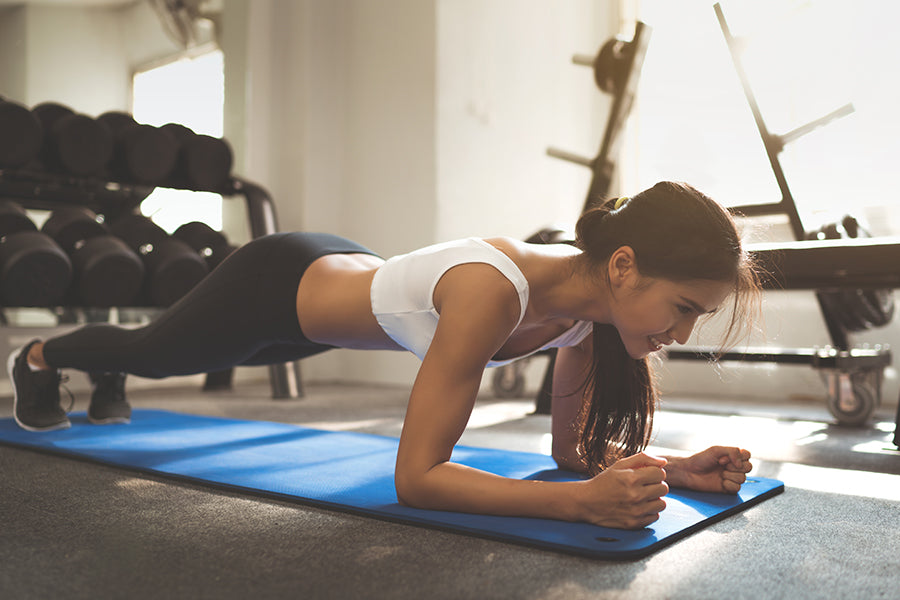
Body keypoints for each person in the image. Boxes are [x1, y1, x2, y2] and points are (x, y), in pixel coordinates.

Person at [8, 180, 758, 530]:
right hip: (281, 285)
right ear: (624, 265)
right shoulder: (492, 294)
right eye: (685, 309)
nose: (682, 333)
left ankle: (100, 367)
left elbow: (569, 448)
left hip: (349, 279)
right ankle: (39, 356)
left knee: (153, 354)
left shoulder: (589, 313)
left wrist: (674, 466)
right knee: (156, 352)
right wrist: (579, 504)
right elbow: (417, 479)